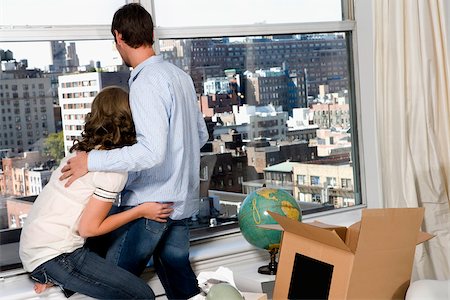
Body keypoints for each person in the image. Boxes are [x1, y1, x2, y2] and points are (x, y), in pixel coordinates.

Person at [59, 3, 209, 299]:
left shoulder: (146, 82)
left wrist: (91, 160)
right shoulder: (179, 76)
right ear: (151, 34)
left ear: (118, 36)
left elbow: (151, 153)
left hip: (150, 206)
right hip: (180, 203)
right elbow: (201, 135)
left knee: (115, 283)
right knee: (182, 285)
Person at [19, 86, 173, 299]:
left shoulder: (81, 154)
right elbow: (88, 228)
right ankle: (53, 275)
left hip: (33, 249)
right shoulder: (113, 170)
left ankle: (53, 277)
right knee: (142, 295)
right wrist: (141, 211)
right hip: (55, 256)